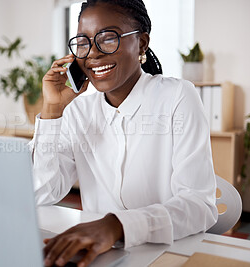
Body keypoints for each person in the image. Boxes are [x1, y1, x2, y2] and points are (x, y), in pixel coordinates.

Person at [29, 0, 218, 266]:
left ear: (141, 43)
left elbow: (199, 206)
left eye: (107, 39)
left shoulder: (177, 96)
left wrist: (117, 225)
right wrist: (51, 110)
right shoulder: (78, 110)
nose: (92, 53)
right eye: (83, 43)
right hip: (101, 256)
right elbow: (41, 193)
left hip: (164, 253)